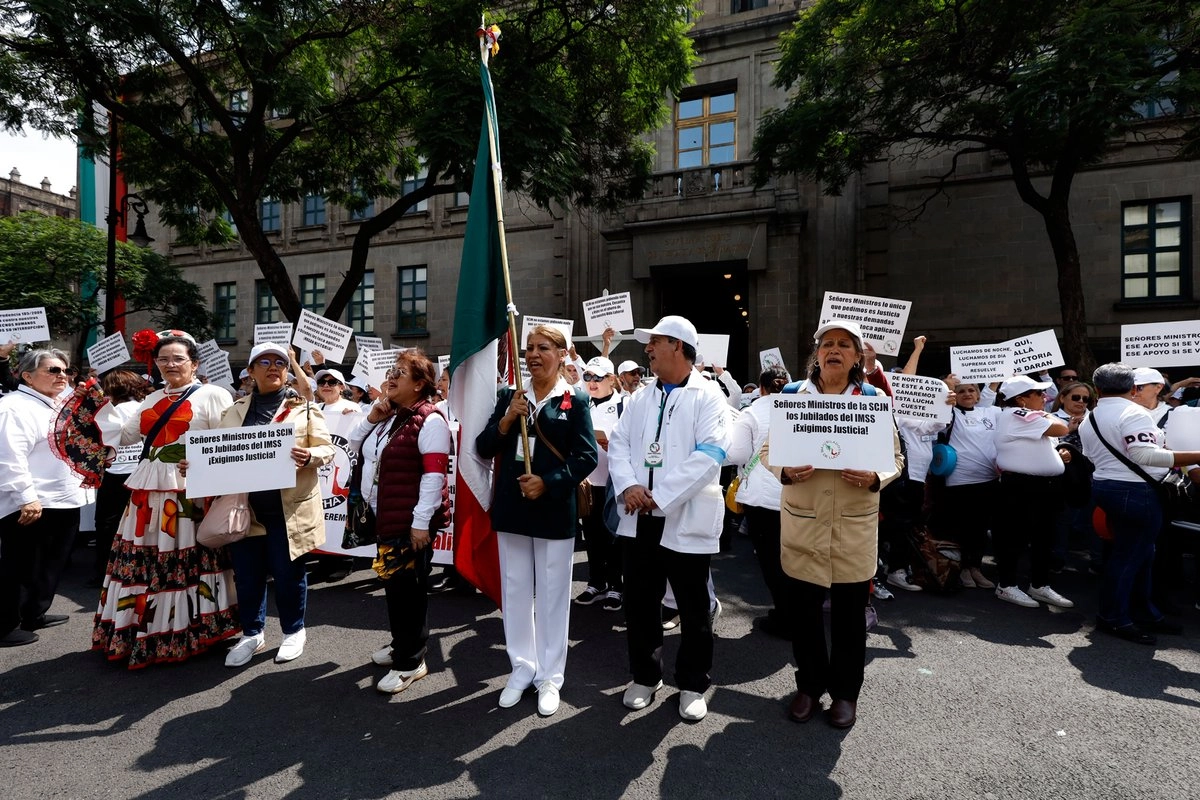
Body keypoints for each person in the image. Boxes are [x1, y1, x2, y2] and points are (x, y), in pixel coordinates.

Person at [762, 320, 904, 730]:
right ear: (817, 353)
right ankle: (808, 685)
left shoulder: (873, 398)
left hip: (853, 526)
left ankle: (845, 694)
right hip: (804, 523)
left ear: (858, 356)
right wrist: (784, 469)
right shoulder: (793, 395)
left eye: (845, 344)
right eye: (828, 344)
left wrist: (877, 478)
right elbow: (769, 451)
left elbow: (895, 459)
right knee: (803, 615)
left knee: (848, 618)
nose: (835, 350)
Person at [609, 315, 732, 722]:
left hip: (683, 515)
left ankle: (693, 683)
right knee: (641, 602)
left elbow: (710, 454)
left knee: (694, 606)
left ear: (678, 346)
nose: (648, 348)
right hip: (638, 515)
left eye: (655, 342)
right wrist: (629, 486)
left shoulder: (708, 395)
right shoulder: (641, 396)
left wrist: (657, 497)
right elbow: (620, 445)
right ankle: (645, 676)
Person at [92, 333, 239, 668]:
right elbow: (125, 434)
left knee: (185, 555)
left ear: (195, 363)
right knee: (146, 557)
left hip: (187, 489)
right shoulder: (151, 397)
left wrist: (204, 464)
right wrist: (97, 402)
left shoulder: (214, 395)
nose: (170, 365)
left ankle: (191, 628)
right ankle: (143, 628)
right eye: (163, 360)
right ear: (155, 364)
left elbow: (228, 443)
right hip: (147, 489)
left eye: (178, 359)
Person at [476, 325, 598, 716]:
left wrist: (549, 483)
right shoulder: (510, 397)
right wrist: (508, 420)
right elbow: (483, 445)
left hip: (552, 511)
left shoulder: (575, 400)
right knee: (514, 592)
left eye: (542, 347)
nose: (532, 354)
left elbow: (586, 457)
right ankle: (521, 668)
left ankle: (549, 676)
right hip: (512, 509)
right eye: (528, 348)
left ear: (562, 354)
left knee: (551, 596)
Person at [211, 343, 335, 667]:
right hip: (245, 512)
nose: (273, 367)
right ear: (250, 372)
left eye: (280, 362)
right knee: (248, 577)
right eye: (263, 362)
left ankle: (294, 631)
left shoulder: (304, 408)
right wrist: (196, 468)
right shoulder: (233, 411)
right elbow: (217, 455)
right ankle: (252, 633)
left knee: (288, 574)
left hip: (288, 510)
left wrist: (310, 456)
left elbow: (327, 449)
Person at [351, 350, 451, 693]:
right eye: (391, 371)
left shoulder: (431, 420)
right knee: (394, 587)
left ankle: (412, 661)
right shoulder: (391, 415)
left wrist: (420, 523)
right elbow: (354, 446)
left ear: (420, 384)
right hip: (386, 517)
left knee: (409, 591)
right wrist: (372, 417)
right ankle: (400, 645)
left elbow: (433, 479)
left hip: (410, 522)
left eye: (400, 373)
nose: (391, 377)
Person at [1079, 363, 1200, 645]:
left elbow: (1092, 454)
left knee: (1140, 555)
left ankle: (1143, 612)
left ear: (1097, 389)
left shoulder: (1092, 416)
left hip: (1109, 486)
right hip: (1134, 491)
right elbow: (1145, 455)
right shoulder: (1133, 413)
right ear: (1133, 389)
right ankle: (1114, 618)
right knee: (1130, 557)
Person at [0, 349, 88, 646]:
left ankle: (34, 613)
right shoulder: (14, 407)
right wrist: (26, 497)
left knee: (50, 563)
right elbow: (9, 457)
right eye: (52, 370)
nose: (61, 375)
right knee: (22, 564)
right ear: (27, 375)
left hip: (63, 498)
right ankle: (5, 624)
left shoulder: (58, 404)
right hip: (33, 502)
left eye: (64, 370)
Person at [992, 376, 1074, 609]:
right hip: (1021, 486)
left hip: (1044, 486)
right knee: (1015, 537)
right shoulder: (1016, 414)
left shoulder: (1030, 416)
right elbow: (1061, 426)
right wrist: (1048, 414)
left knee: (1044, 538)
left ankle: (1039, 584)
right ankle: (1006, 585)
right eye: (1038, 394)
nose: (1044, 397)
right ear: (1021, 399)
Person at [727, 366, 789, 637]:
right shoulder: (800, 408)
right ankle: (796, 612)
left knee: (771, 560)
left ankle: (785, 616)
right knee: (794, 559)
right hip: (795, 495)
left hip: (762, 498)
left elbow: (737, 453)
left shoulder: (750, 413)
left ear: (761, 388)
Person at [934, 381, 1000, 589]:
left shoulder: (990, 413)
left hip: (988, 480)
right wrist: (946, 388)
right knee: (961, 527)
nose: (967, 394)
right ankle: (961, 568)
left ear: (978, 395)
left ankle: (975, 568)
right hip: (960, 481)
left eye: (971, 390)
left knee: (980, 528)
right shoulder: (950, 414)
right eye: (961, 391)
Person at [89, 370, 151, 587]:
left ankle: (104, 572)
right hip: (141, 472)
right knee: (140, 524)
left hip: (116, 473)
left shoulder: (111, 411)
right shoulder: (146, 407)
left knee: (107, 525)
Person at [574, 356, 626, 611]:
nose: (592, 382)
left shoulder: (623, 405)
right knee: (592, 535)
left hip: (614, 483)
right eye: (588, 377)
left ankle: (617, 586)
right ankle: (596, 583)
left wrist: (611, 443)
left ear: (611, 379)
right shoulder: (581, 405)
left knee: (613, 535)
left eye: (598, 377)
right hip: (588, 483)